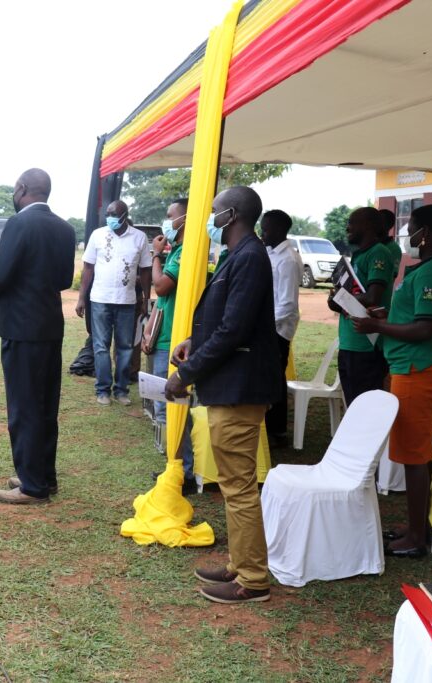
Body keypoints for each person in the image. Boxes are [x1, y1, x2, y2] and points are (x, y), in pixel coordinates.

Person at [165, 186, 283, 604]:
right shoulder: (242, 255)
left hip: (240, 388)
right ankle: (240, 562)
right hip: (231, 383)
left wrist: (187, 374)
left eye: (214, 211)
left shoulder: (250, 257)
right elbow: (229, 322)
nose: (209, 218)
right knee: (236, 483)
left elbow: (234, 331)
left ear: (231, 215)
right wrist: (193, 345)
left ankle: (251, 579)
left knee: (238, 485)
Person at [353, 204, 432, 558]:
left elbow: (425, 327)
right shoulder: (430, 268)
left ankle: (416, 537)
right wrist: (387, 315)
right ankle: (416, 525)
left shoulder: (431, 272)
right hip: (413, 365)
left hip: (419, 368)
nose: (406, 235)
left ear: (424, 233)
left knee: (414, 454)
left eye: (411, 228)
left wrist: (377, 326)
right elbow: (413, 315)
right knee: (412, 450)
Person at [0, 169, 75, 505]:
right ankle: (41, 475)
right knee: (45, 405)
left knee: (24, 407)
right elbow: (65, 280)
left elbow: (1, 273)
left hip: (21, 330)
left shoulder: (19, 224)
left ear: (21, 189)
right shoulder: (65, 229)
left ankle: (32, 487)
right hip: (50, 327)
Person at [76, 200, 152, 406]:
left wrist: (145, 299)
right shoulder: (97, 235)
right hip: (100, 300)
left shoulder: (139, 238)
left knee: (125, 347)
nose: (109, 218)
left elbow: (146, 270)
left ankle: (121, 390)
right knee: (100, 347)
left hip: (127, 302)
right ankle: (102, 390)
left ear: (125, 215)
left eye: (113, 214)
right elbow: (88, 268)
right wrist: (81, 297)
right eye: (107, 214)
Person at [147, 198, 197, 494]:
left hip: (174, 342)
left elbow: (161, 287)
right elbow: (163, 301)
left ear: (185, 219)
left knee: (172, 408)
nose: (166, 221)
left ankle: (183, 471)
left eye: (170, 216)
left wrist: (156, 255)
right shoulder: (178, 250)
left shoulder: (183, 253)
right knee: (164, 406)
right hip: (165, 336)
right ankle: (175, 467)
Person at [331, 207, 395, 406]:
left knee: (365, 407)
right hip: (349, 340)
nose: (347, 227)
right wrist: (336, 301)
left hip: (367, 344)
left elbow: (373, 296)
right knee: (352, 405)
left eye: (351, 222)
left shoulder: (379, 253)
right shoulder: (359, 254)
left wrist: (341, 298)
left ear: (367, 225)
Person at [261, 209, 302, 446]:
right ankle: (269, 426)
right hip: (271, 325)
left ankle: (277, 431)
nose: (262, 233)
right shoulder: (272, 253)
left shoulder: (287, 258)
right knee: (269, 375)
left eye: (265, 229)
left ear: (278, 230)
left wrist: (265, 326)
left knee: (275, 377)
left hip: (278, 329)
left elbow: (287, 303)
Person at [377, 208, 403, 274]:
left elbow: (392, 275)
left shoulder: (394, 249)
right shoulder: (371, 244)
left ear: (388, 225)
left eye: (378, 222)